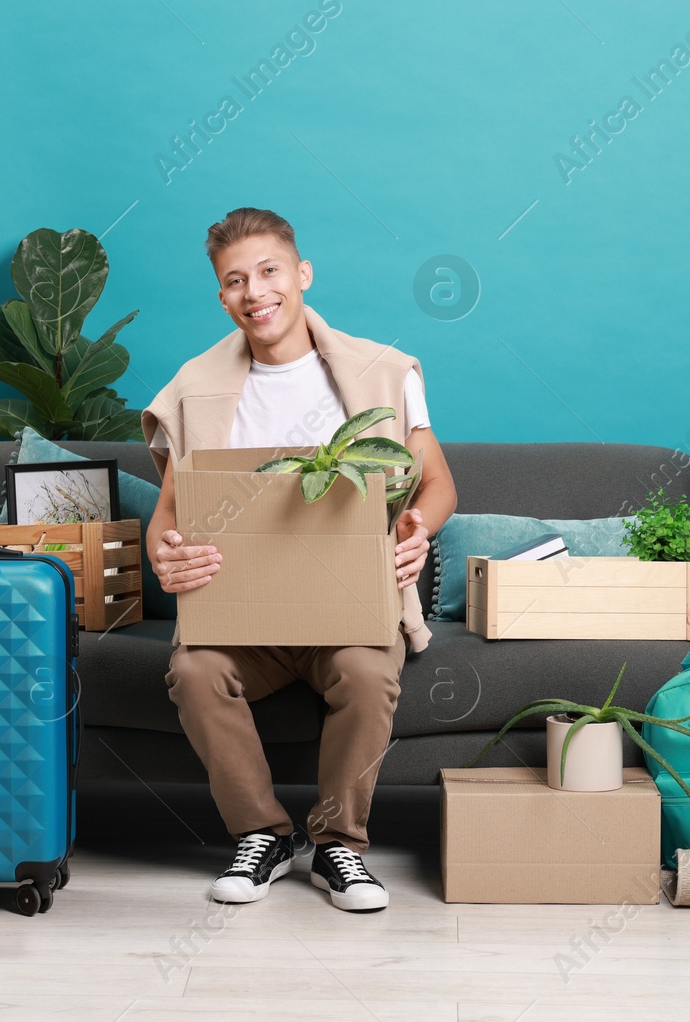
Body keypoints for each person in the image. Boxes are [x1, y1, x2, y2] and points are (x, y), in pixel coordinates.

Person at [141, 207, 457, 912]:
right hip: (241, 619)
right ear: (222, 297)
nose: (254, 291)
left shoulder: (382, 373)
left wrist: (416, 526)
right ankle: (263, 834)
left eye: (269, 271)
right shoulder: (197, 386)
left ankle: (338, 843)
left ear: (301, 273)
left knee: (368, 669)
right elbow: (170, 511)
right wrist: (166, 554)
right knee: (193, 670)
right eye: (234, 281)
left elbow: (438, 482)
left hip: (347, 611)